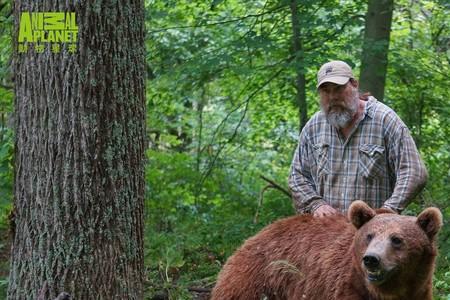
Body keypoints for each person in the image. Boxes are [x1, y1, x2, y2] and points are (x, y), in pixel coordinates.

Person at [288, 60, 428, 217]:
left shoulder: (385, 120)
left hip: (373, 234)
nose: (333, 96)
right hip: (326, 232)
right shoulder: (314, 127)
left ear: (354, 84)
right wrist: (315, 205)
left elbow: (414, 171)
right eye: (326, 91)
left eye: (338, 89)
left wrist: (388, 210)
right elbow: (297, 175)